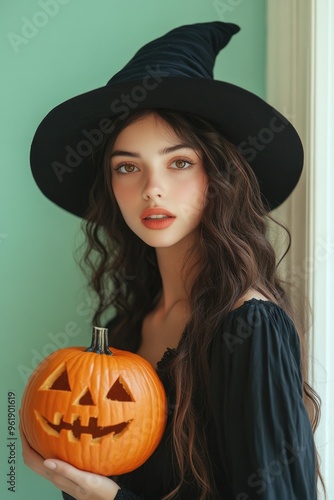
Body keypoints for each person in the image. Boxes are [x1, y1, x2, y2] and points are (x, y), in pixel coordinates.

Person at [20, 22, 323, 499]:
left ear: (217, 175)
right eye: (127, 167)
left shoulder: (250, 327)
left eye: (179, 162)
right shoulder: (128, 324)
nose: (151, 188)